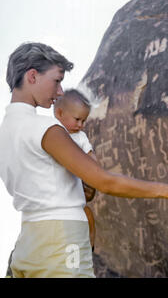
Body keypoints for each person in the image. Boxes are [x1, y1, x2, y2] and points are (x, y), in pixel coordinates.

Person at [0, 42, 168, 278]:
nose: (61, 91)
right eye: (56, 80)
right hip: (61, 241)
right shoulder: (45, 128)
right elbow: (104, 182)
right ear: (32, 76)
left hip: (28, 243)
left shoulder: (6, 131)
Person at [53, 89, 98, 251]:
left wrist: (92, 178)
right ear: (59, 113)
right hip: (55, 197)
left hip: (75, 194)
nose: (80, 125)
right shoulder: (51, 133)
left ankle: (89, 247)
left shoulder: (80, 137)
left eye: (84, 121)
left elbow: (92, 159)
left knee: (86, 214)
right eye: (77, 119)